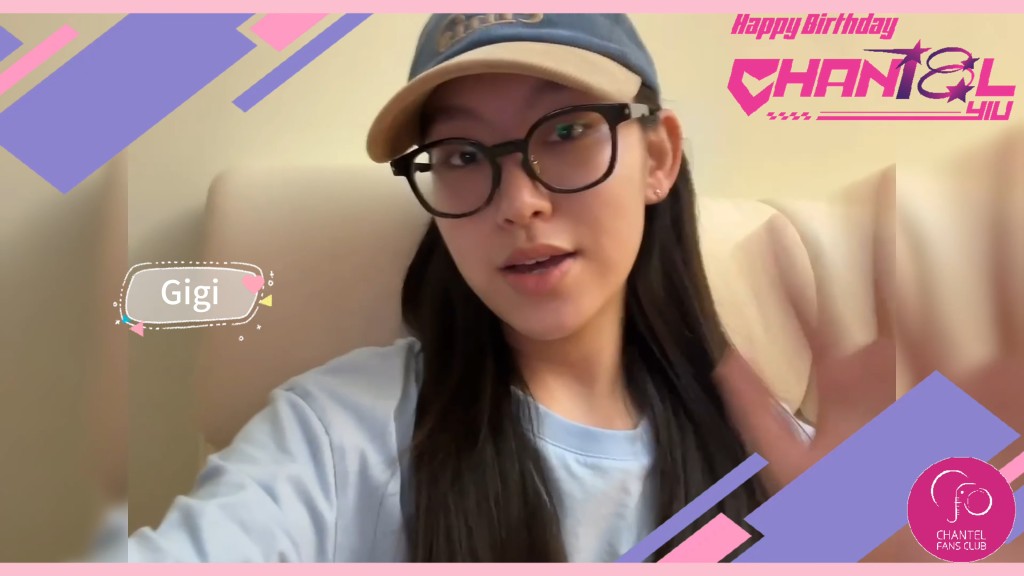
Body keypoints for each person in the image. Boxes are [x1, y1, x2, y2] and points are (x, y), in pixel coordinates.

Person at [95, 12, 995, 563]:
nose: (518, 203)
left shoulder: (785, 456)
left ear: (658, 156)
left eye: (566, 131)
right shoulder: (336, 438)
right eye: (461, 155)